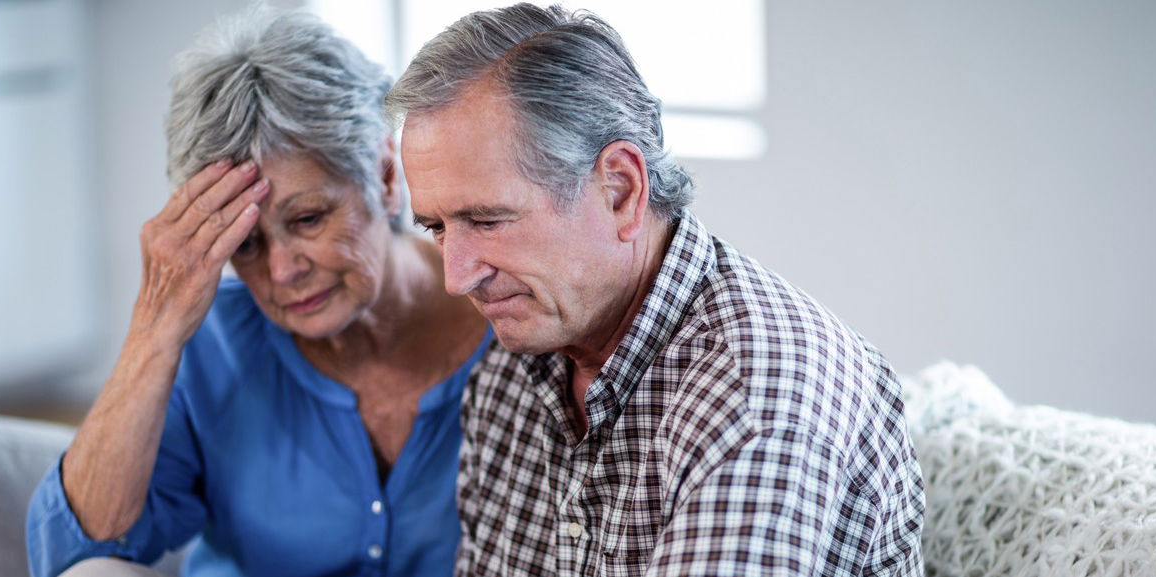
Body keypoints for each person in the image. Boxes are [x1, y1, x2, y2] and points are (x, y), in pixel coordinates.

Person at [387, 4, 924, 575]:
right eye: (437, 228)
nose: (457, 277)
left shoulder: (755, 391)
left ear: (620, 189)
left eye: (488, 220)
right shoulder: (513, 362)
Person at [26, 9, 489, 577]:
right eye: (244, 244)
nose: (282, 271)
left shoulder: (506, 313)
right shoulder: (209, 343)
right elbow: (73, 556)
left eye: (308, 219)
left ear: (387, 177)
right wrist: (153, 330)